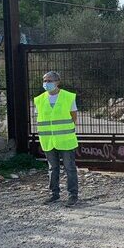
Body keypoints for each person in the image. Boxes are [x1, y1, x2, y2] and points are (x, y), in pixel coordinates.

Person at [34, 71, 79, 207]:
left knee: (69, 168)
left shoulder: (68, 97)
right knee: (52, 168)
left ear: (57, 82)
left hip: (65, 140)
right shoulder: (39, 99)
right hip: (48, 140)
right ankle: (54, 194)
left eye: (49, 80)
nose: (46, 83)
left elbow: (73, 117)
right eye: (45, 80)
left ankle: (72, 195)